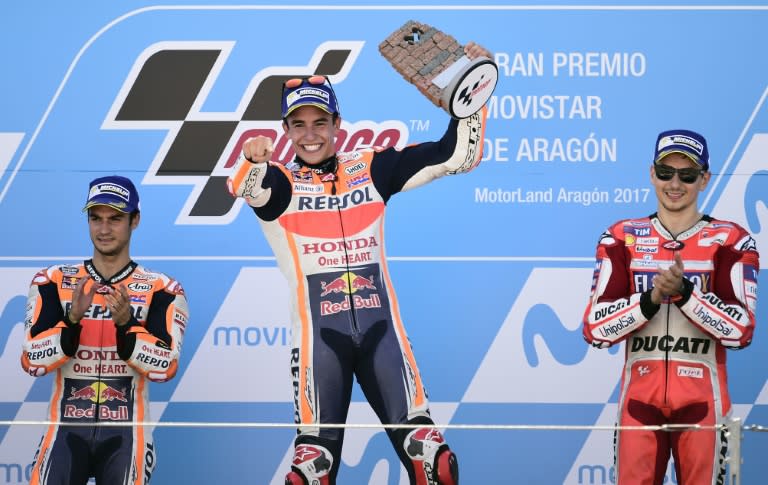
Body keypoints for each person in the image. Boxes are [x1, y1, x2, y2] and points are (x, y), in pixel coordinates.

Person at [226, 42, 494, 485]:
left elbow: (457, 155)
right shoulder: (279, 182)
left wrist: (473, 95)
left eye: (319, 122)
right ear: (286, 131)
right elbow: (245, 188)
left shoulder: (371, 168)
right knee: (312, 473)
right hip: (320, 344)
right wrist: (253, 159)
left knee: (436, 465)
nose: (310, 134)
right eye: (299, 125)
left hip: (382, 334)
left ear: (337, 123)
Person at [581, 129, 760, 484]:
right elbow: (595, 330)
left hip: (704, 404)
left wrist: (685, 294)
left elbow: (740, 332)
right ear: (652, 174)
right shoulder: (621, 237)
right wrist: (649, 300)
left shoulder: (731, 240)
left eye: (687, 175)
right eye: (666, 173)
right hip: (637, 404)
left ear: (704, 180)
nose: (674, 183)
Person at [21, 175, 189, 485]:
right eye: (95, 218)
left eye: (115, 219)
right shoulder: (53, 281)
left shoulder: (162, 289)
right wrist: (72, 319)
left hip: (127, 433)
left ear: (134, 221)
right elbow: (33, 362)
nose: (104, 229)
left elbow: (165, 368)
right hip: (65, 429)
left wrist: (126, 323)